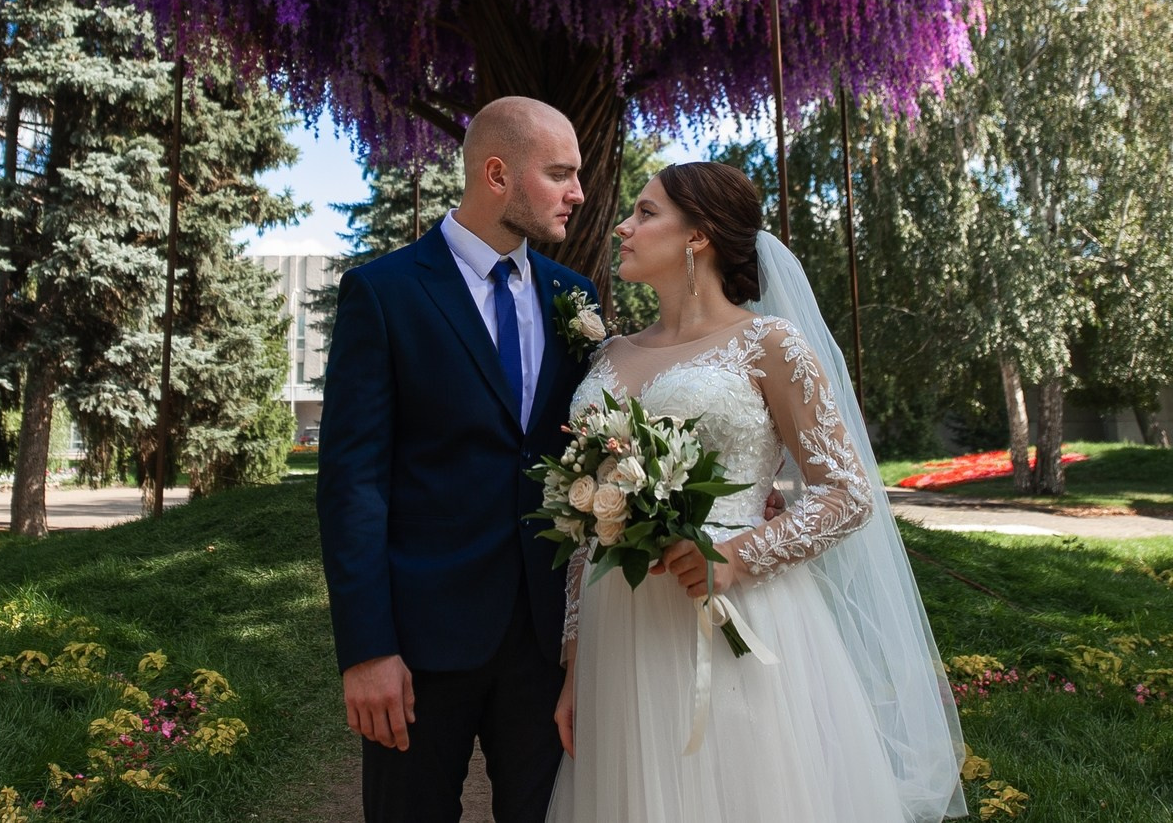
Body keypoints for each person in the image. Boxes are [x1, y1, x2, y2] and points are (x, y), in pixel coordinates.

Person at [547, 161, 966, 823]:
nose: (623, 227)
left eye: (646, 212)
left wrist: (737, 555)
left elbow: (847, 493)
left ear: (698, 235)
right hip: (616, 628)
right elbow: (587, 520)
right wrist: (575, 668)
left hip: (732, 613)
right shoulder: (610, 355)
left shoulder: (768, 343)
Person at [317, 97, 599, 823]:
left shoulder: (577, 298)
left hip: (545, 645)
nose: (579, 193)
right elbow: (352, 485)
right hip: (418, 644)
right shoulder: (383, 293)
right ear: (497, 173)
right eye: (560, 174)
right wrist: (366, 649)